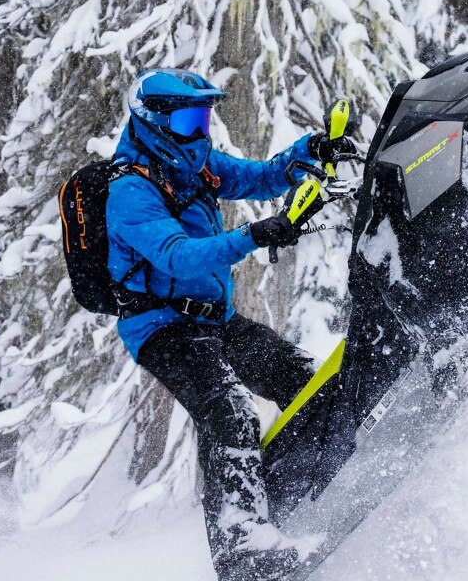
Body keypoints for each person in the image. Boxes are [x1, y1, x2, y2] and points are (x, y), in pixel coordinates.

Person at [106, 68, 353, 580]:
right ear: (155, 122)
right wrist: (254, 236)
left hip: (214, 319)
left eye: (205, 116)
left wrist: (309, 152)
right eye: (190, 118)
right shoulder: (130, 191)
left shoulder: (195, 163)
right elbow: (178, 257)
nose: (202, 130)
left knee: (305, 381)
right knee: (230, 414)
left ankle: (312, 481)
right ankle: (242, 551)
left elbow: (260, 175)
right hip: (161, 329)